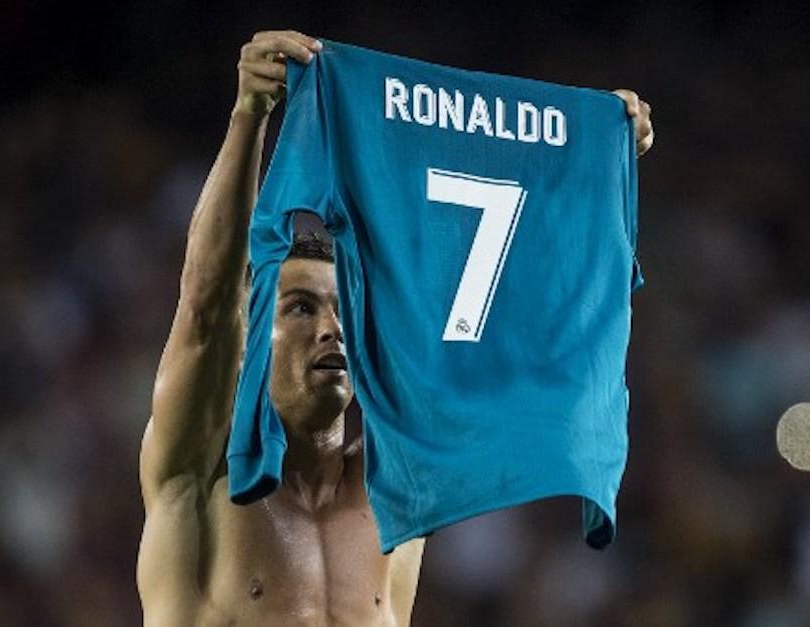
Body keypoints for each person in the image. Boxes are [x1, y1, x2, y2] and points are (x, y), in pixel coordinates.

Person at [136, 30, 654, 627]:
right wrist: (249, 115)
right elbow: (206, 304)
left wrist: (585, 157)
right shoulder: (202, 470)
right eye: (300, 307)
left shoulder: (402, 482)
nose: (332, 328)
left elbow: (500, 285)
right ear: (255, 337)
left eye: (342, 309)